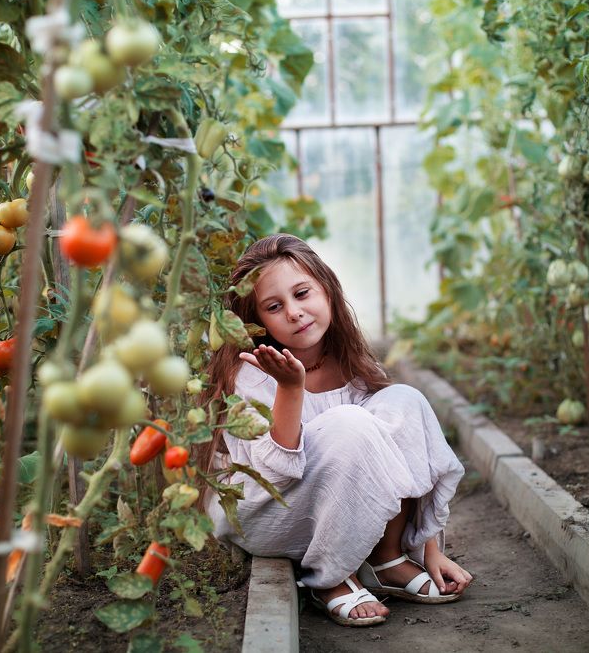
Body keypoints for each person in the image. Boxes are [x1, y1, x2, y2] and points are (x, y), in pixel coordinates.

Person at [199, 234, 472, 627]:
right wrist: (290, 389)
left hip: (319, 506)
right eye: (275, 307)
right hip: (263, 509)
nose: (294, 312)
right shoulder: (252, 373)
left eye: (302, 293)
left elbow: (407, 450)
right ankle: (328, 579)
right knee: (350, 425)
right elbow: (275, 474)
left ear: (326, 291)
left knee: (405, 402)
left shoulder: (348, 362)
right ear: (257, 323)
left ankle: (386, 558)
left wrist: (431, 549)